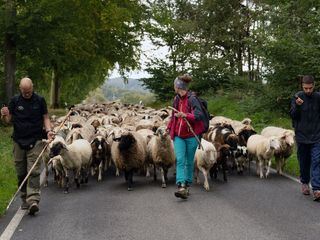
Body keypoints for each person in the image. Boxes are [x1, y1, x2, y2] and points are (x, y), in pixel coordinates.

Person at [0, 77, 54, 214]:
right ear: (20, 89)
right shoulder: (15, 101)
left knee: (34, 170)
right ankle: (24, 198)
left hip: (35, 139)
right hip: (18, 140)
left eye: (29, 91)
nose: (27, 94)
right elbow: (8, 121)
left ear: (32, 87)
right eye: (25, 92)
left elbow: (46, 117)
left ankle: (33, 200)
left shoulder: (40, 100)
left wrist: (48, 131)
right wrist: (4, 115)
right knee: (21, 172)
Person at [167, 74, 206, 199]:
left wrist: (186, 115)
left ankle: (187, 185)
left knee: (189, 162)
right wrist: (169, 128)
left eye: (175, 85)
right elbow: (173, 116)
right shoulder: (176, 99)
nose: (174, 88)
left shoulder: (192, 99)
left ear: (179, 86)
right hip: (179, 136)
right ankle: (181, 185)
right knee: (180, 160)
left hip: (191, 136)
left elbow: (198, 115)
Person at [290, 75, 320, 201]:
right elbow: (293, 115)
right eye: (305, 88)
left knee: (317, 161)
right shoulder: (297, 97)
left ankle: (317, 189)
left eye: (310, 88)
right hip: (302, 136)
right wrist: (297, 106)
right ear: (302, 86)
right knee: (304, 162)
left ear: (314, 85)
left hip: (317, 136)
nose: (308, 91)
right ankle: (304, 182)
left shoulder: (318, 97)